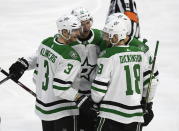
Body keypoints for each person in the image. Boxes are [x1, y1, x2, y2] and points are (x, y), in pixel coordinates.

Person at [8, 14, 89, 131]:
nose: (78, 33)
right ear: (65, 32)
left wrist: (24, 63)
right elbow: (61, 88)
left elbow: (38, 57)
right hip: (62, 110)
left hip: (43, 107)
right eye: (74, 30)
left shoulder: (46, 43)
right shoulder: (70, 57)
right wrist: (80, 98)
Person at [90, 16, 159, 131]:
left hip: (110, 114)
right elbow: (152, 82)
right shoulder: (140, 54)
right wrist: (147, 104)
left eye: (108, 35)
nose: (105, 38)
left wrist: (95, 102)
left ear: (116, 37)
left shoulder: (108, 55)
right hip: (135, 115)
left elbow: (99, 90)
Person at [70, 7, 106, 131]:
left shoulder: (101, 37)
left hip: (95, 95)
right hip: (75, 95)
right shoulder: (69, 39)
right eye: (81, 24)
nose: (86, 28)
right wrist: (25, 62)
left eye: (88, 22)